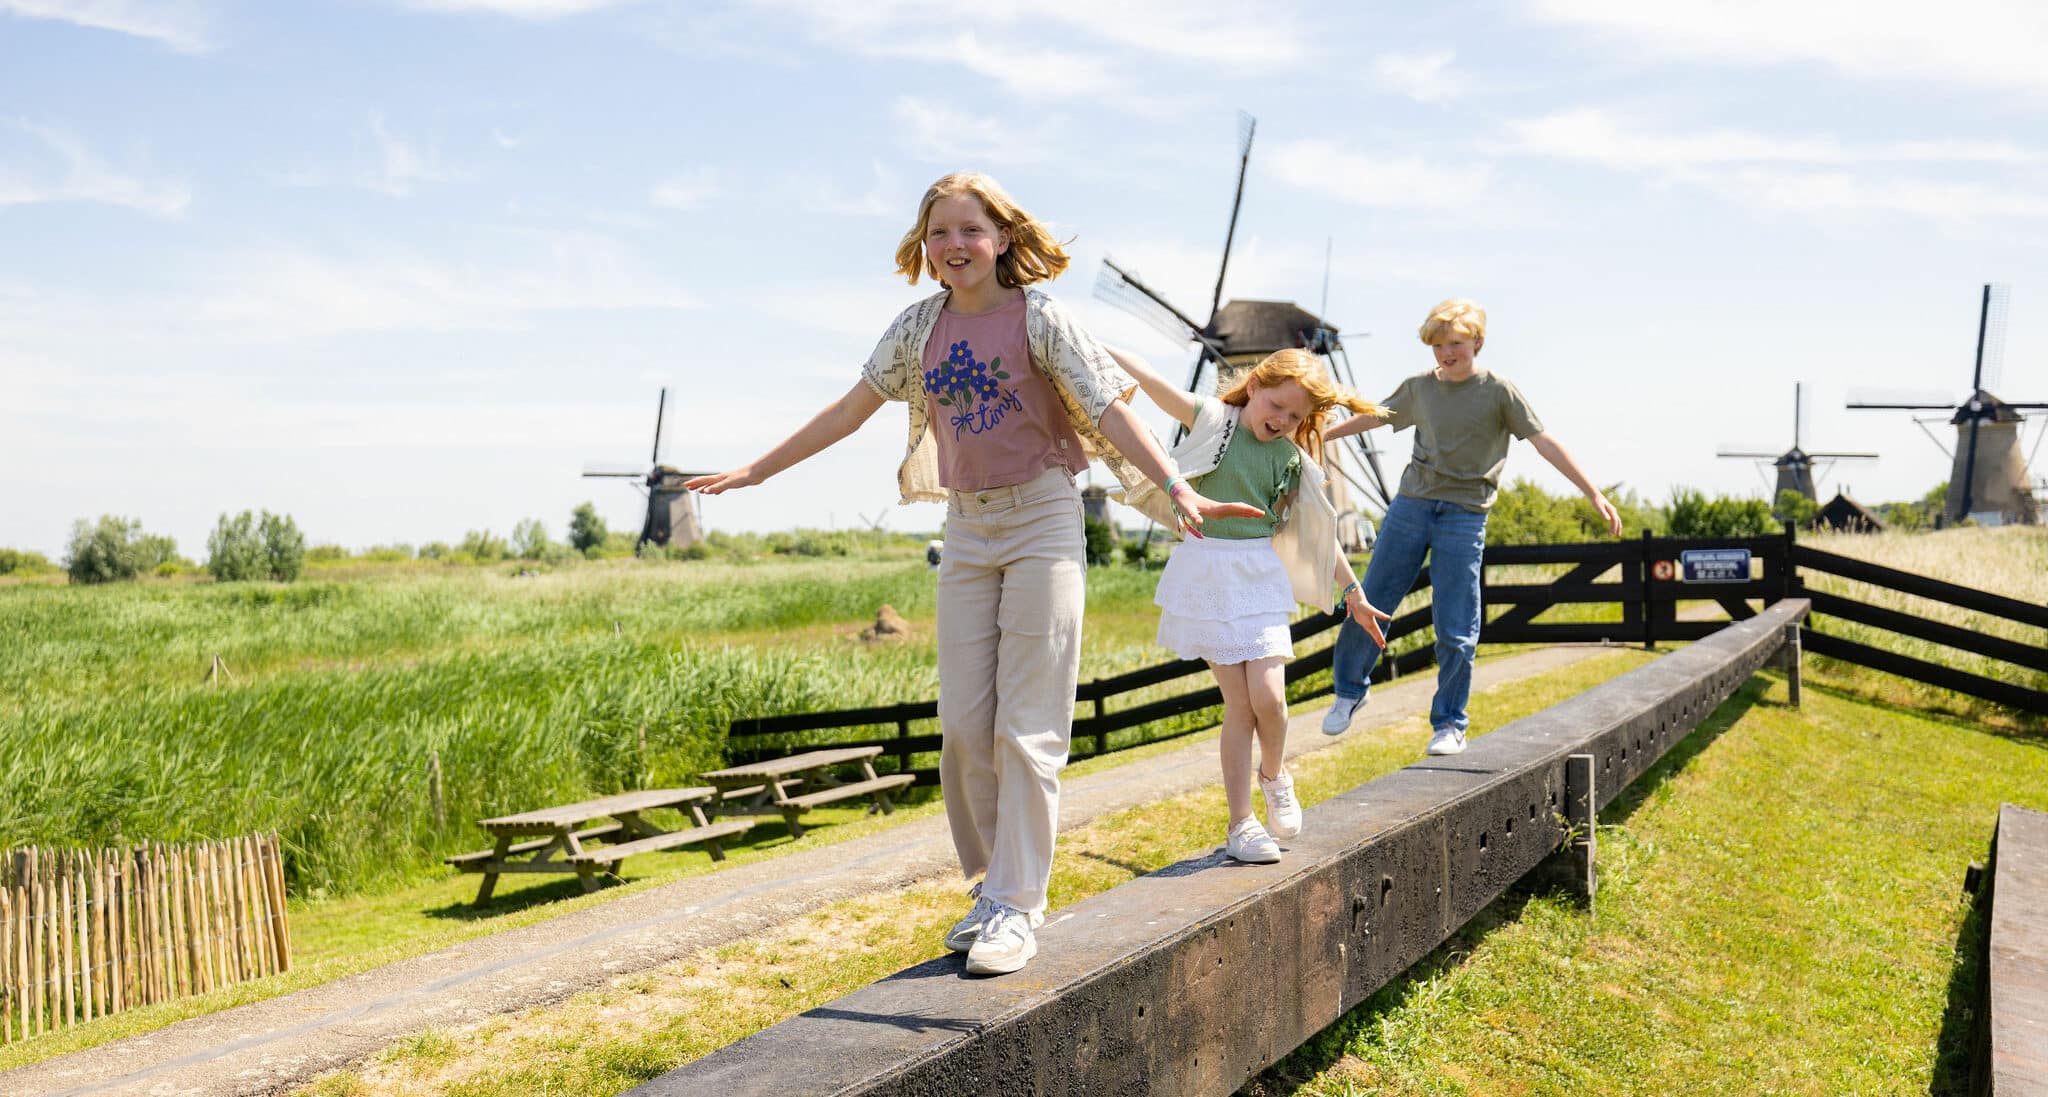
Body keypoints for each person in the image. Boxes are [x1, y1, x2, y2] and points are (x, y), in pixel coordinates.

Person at [687, 172, 1257, 976]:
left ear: (1001, 239)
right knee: (963, 725)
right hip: (966, 527)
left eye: (970, 230)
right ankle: (991, 887)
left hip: (1042, 519)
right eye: (939, 232)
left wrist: (1172, 483)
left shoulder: (1041, 316)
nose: (954, 245)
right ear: (925, 247)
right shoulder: (917, 328)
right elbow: (849, 410)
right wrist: (758, 469)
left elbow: (1108, 407)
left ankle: (1019, 905)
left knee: (1029, 723)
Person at [1112, 347, 1391, 864]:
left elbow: (1318, 534)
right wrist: (1098, 348)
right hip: (1209, 571)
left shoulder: (1292, 459)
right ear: (1257, 384)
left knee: (1271, 699)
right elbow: (1154, 380)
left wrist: (1355, 594)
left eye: (1295, 416)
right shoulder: (1215, 418)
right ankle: (1241, 823)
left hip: (1258, 575)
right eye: (1277, 406)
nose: (1282, 421)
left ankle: (1274, 774)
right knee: (1239, 706)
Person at [1319, 298, 1622, 754]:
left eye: (1455, 343)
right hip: (1412, 505)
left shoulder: (1498, 391)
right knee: (1372, 595)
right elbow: (1376, 416)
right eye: (1438, 345)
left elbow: (1544, 442)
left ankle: (1449, 723)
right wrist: (1321, 433)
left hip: (1464, 514)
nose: (1446, 353)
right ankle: (1350, 691)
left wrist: (1592, 490)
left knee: (1456, 623)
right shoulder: (1420, 388)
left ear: (1477, 342)